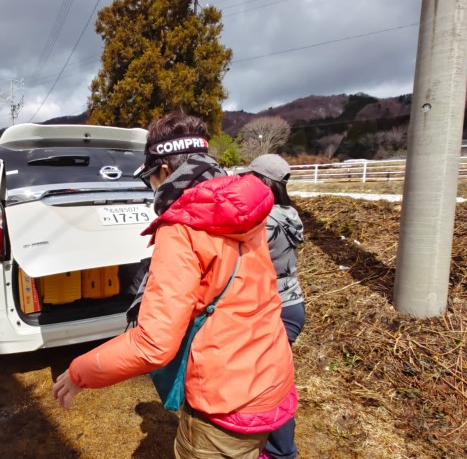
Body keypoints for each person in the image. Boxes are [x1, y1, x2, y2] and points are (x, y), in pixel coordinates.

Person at [52, 112, 297, 459]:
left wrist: (79, 373)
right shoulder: (245, 210)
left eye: (149, 177)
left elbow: (153, 344)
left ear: (164, 171)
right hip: (270, 378)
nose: (151, 187)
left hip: (225, 401)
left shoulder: (182, 227)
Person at [244, 154, 306, 459]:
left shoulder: (263, 219)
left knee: (271, 384)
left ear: (260, 181)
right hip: (293, 303)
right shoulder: (289, 213)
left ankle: (281, 452)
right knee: (273, 377)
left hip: (274, 307)